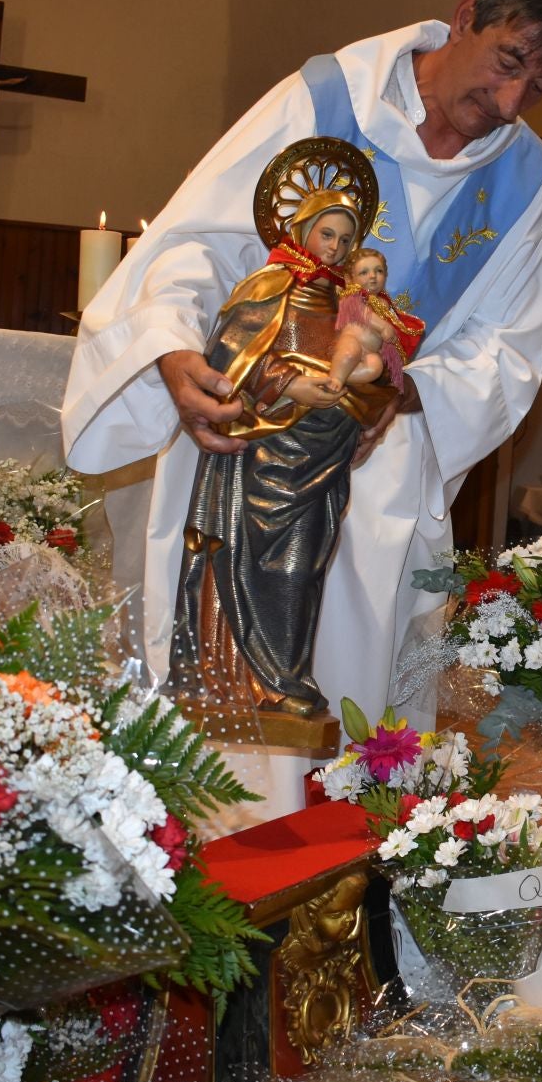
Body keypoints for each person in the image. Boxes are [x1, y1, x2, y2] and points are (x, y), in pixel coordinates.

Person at [63, 0, 542, 739]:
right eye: (509, 61)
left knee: (351, 712)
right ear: (464, 16)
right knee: (220, 708)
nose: (513, 100)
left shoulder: (525, 177)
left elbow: (506, 348)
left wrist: (397, 390)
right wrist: (171, 348)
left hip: (383, 468)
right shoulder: (328, 99)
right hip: (246, 442)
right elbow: (199, 243)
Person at [172, 163, 391, 717]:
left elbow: (381, 371)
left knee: (305, 568)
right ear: (303, 230)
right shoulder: (269, 287)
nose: (335, 247)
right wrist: (290, 383)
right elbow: (228, 359)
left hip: (324, 455)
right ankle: (262, 681)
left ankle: (287, 675)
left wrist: (366, 389)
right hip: (267, 455)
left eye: (345, 239)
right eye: (326, 233)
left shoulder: (350, 302)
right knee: (268, 565)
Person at [330, 247, 425, 389]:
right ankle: (336, 378)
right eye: (364, 272)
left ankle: (342, 377)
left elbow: (393, 327)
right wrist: (383, 327)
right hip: (353, 341)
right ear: (349, 279)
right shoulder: (353, 297)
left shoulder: (385, 303)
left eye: (379, 271)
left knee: (375, 367)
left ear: (386, 276)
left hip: (370, 351)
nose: (373, 276)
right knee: (350, 353)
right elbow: (362, 313)